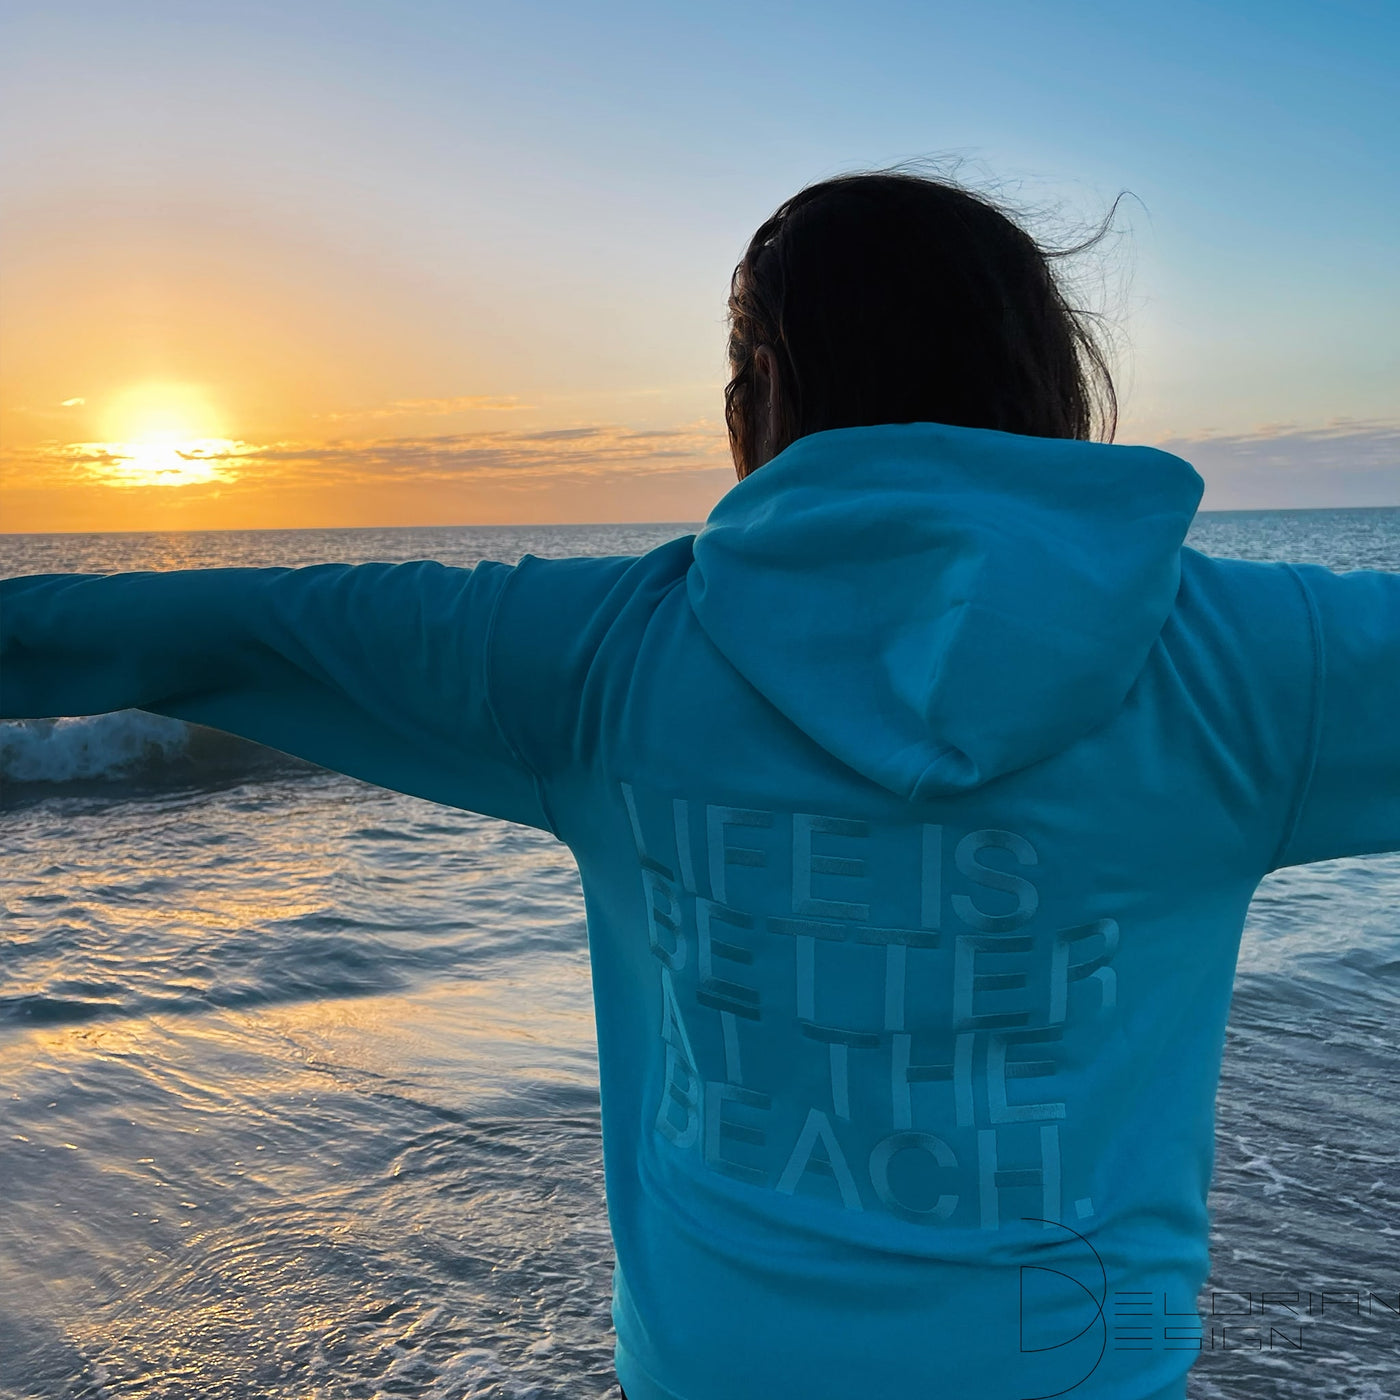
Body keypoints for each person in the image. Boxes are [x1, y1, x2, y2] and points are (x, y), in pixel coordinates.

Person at [3, 169, 1397, 1400]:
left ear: (766, 382)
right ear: (1047, 382)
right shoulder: (1259, 666)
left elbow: (215, 627)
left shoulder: (595, 655)